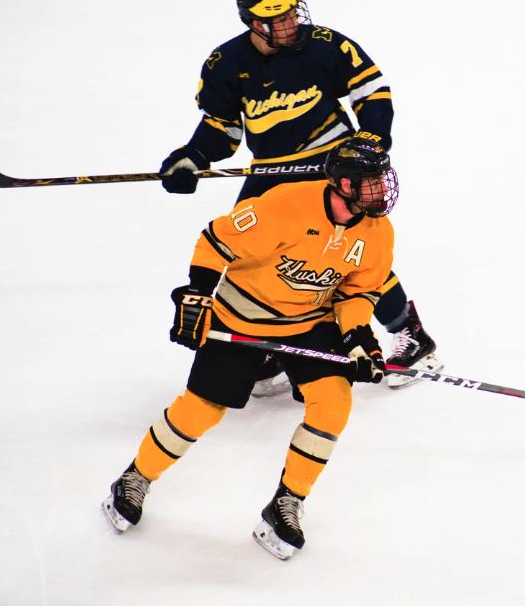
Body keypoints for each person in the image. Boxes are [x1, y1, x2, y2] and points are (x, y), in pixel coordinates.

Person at [102, 138, 398, 560]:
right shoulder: (283, 205)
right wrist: (198, 294)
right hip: (242, 316)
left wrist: (358, 338)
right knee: (202, 408)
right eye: (371, 182)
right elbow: (213, 241)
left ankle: (286, 503)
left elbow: (358, 291)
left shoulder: (377, 232)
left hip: (307, 322)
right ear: (344, 183)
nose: (382, 190)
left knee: (333, 402)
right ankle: (136, 477)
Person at [158, 0, 439, 394]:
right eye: (280, 19)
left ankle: (410, 334)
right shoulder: (226, 64)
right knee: (249, 250)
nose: (293, 23)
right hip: (273, 171)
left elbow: (373, 93)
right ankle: (278, 343)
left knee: (353, 250)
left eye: (293, 13)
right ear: (254, 24)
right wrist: (194, 156)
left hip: (336, 164)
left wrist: (372, 140)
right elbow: (222, 127)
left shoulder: (326, 45)